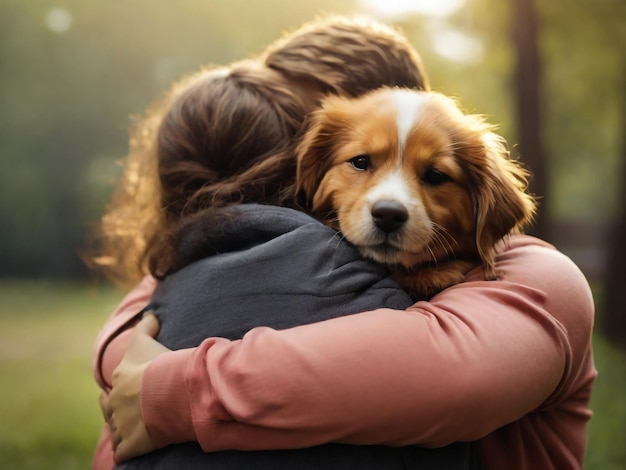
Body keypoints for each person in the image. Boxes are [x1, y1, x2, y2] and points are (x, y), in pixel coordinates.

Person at [92, 16, 596, 470]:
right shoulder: (307, 249)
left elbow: (448, 376)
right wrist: (118, 347)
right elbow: (151, 297)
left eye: (434, 174)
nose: (390, 198)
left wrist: (162, 388)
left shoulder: (536, 280)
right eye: (361, 161)